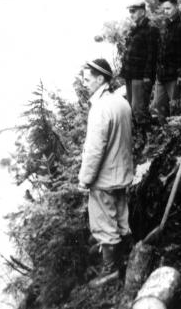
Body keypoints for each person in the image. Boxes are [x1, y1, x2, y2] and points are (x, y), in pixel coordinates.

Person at [78, 58, 134, 287]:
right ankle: (129, 257)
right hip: (121, 174)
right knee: (121, 217)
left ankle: (111, 271)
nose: (84, 82)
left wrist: (85, 179)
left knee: (104, 223)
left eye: (87, 78)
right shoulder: (121, 102)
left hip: (104, 178)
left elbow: (94, 149)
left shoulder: (100, 108)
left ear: (101, 79)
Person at [152, 0, 181, 123]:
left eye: (168, 8)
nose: (165, 11)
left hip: (175, 75)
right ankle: (165, 131)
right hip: (161, 75)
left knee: (176, 107)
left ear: (176, 6)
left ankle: (177, 133)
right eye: (164, 9)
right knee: (159, 105)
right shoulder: (165, 25)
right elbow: (159, 50)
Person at [120, 2, 159, 129]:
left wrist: (147, 76)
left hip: (141, 76)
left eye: (134, 11)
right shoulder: (135, 28)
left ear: (142, 12)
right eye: (130, 12)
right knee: (132, 107)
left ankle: (148, 135)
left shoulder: (151, 28)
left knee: (139, 108)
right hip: (130, 75)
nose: (131, 14)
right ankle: (142, 136)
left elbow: (152, 55)